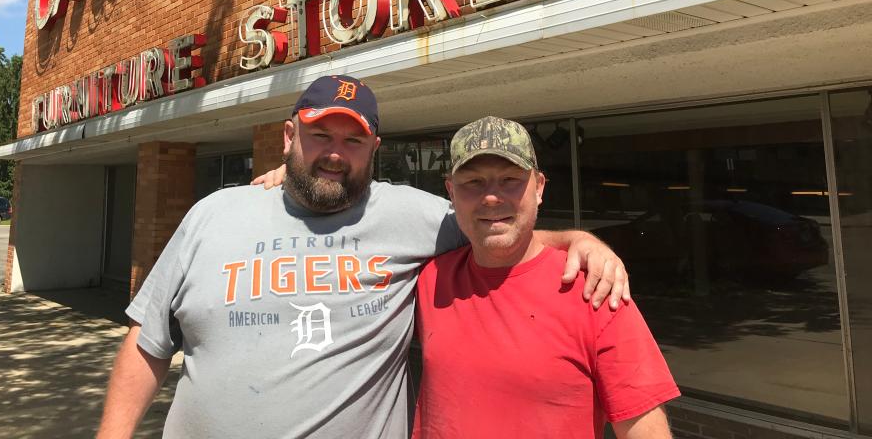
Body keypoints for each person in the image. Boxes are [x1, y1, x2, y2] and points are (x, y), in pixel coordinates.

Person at [96, 75, 629, 438]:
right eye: (320, 134)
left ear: (375, 149)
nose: (334, 152)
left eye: (353, 141)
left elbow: (495, 221)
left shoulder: (412, 216)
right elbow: (148, 345)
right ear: (289, 136)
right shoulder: (214, 214)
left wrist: (574, 241)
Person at [412, 116, 679, 439]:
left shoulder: (595, 290)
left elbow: (646, 431)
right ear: (451, 192)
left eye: (510, 179)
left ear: (539, 187)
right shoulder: (431, 278)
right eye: (474, 182)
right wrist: (573, 236)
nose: (492, 197)